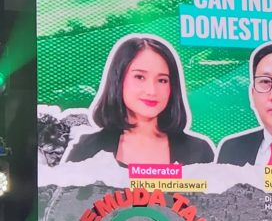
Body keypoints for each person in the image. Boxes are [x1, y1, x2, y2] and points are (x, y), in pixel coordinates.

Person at [66, 35, 214, 165]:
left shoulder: (199, 151)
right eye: (139, 77)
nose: (152, 91)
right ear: (118, 80)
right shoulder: (87, 151)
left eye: (162, 80)